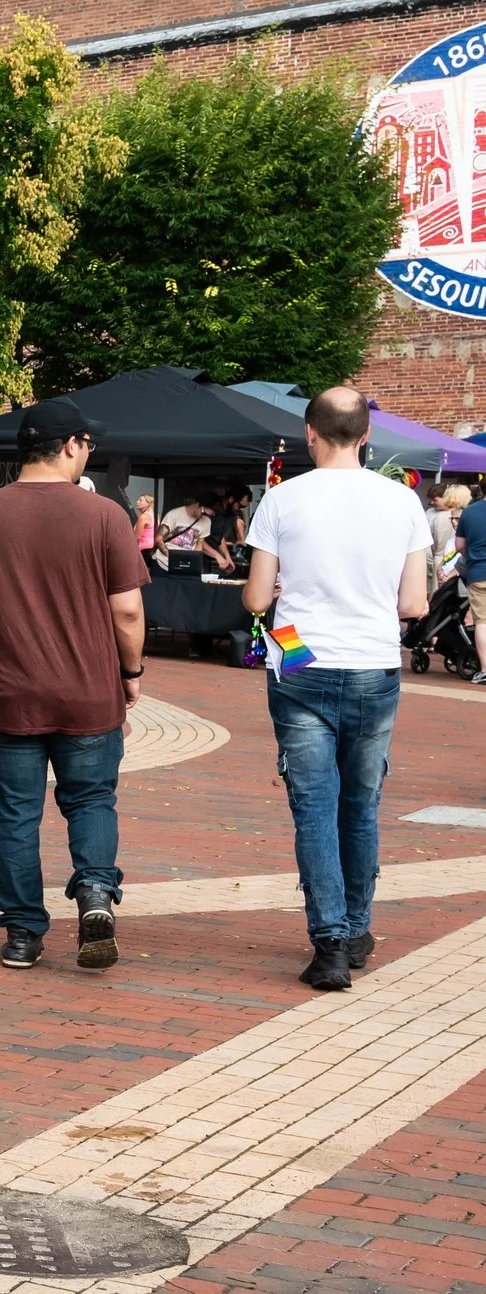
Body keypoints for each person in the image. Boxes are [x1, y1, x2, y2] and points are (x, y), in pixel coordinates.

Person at [0, 398, 148, 972]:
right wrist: (131, 675)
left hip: (8, 696)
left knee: (13, 815)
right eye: (89, 446)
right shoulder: (106, 517)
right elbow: (127, 613)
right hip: (89, 693)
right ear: (73, 445)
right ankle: (97, 895)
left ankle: (23, 934)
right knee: (91, 800)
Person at [244, 390, 433, 990]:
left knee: (314, 809)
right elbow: (414, 604)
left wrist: (292, 620)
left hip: (303, 666)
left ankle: (328, 943)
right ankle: (355, 929)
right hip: (374, 663)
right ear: (366, 433)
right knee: (361, 806)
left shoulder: (281, 499)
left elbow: (255, 598)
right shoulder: (402, 499)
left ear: (310, 434)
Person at [453, 486, 486, 686]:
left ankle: (485, 670)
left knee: (482, 621)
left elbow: (459, 546)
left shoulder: (470, 512)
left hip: (479, 572)